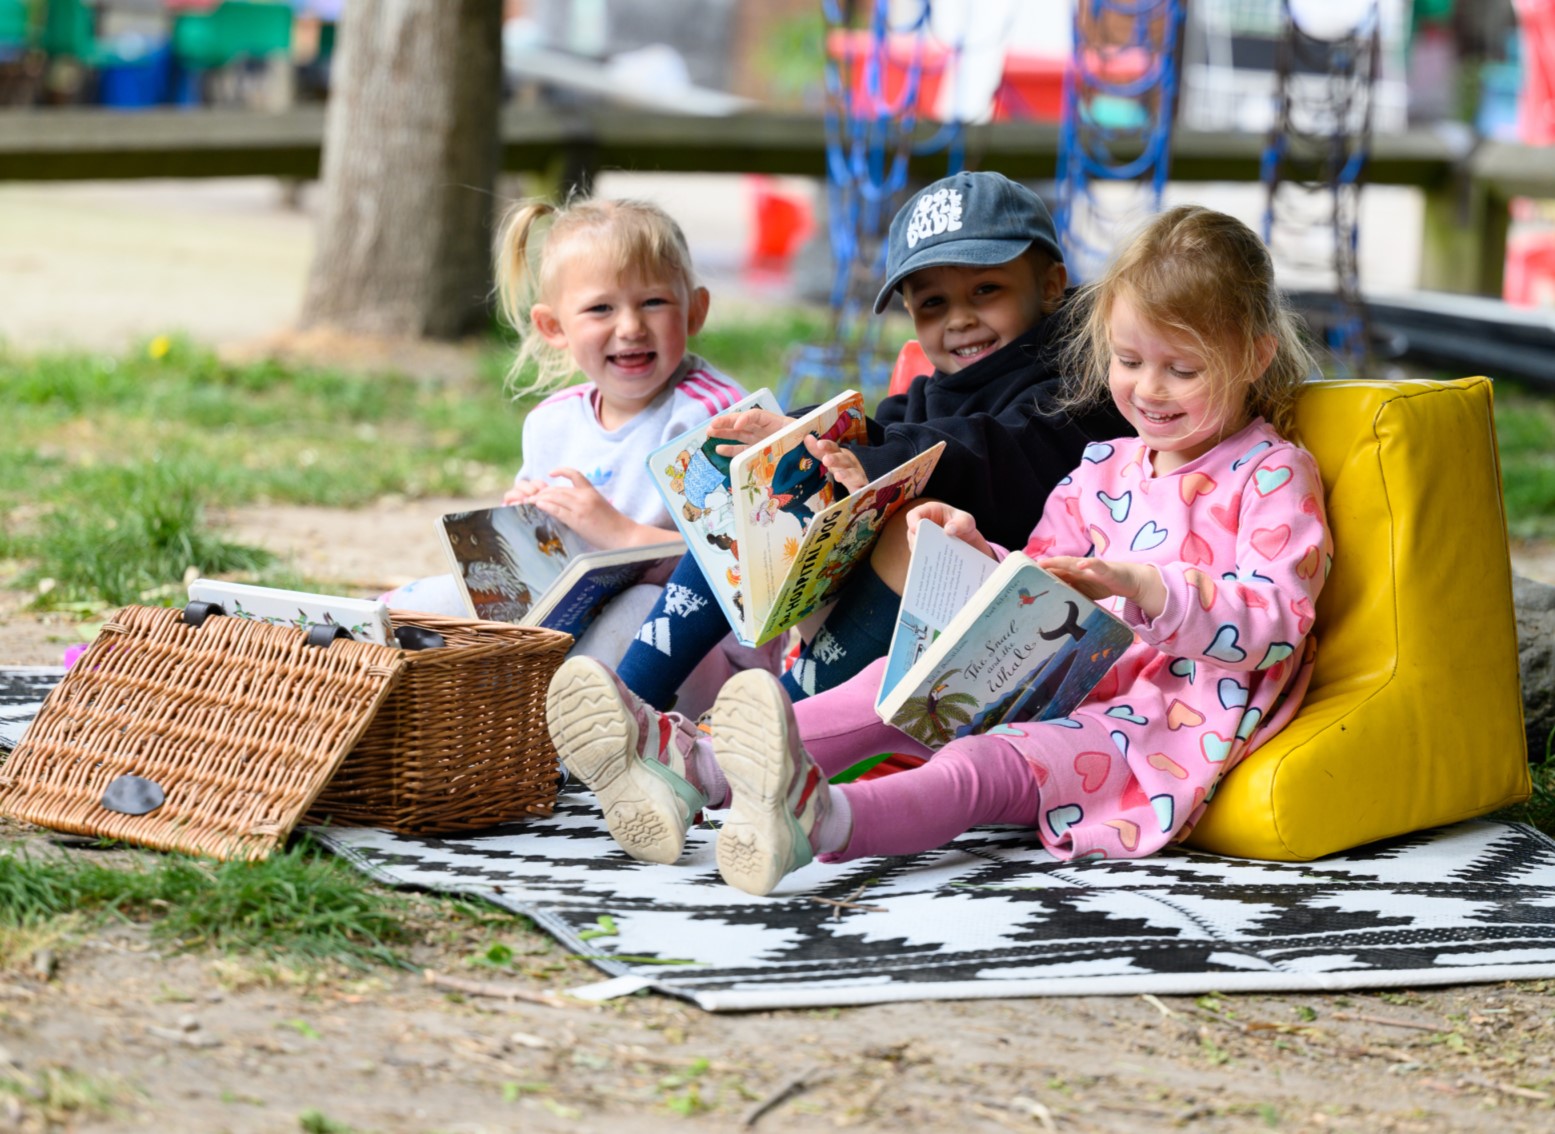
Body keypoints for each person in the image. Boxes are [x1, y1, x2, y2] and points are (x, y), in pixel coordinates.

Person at [546, 205, 1333, 896]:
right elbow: (1037, 576)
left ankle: (817, 820)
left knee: (985, 763)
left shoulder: (1267, 474)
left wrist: (1141, 584)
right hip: (1063, 672)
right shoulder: (1106, 465)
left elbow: (1276, 620)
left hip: (1152, 725)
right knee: (903, 683)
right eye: (1128, 363)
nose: (1148, 390)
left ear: (1254, 357)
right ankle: (689, 765)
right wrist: (973, 551)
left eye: (1181, 370)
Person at [611, 170, 1128, 711]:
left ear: (1048, 286)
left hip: (1020, 643)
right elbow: (885, 433)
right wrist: (799, 438)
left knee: (924, 524)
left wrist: (872, 454)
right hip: (911, 630)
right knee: (768, 481)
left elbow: (1002, 447)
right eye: (933, 304)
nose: (960, 319)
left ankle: (768, 724)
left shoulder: (1085, 381)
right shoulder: (932, 395)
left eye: (986, 290)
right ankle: (631, 699)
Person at [384, 195, 774, 716]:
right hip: (577, 632)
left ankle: (566, 750)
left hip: (711, 665)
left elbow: (754, 560)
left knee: (635, 610)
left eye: (654, 302)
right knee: (425, 604)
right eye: (600, 308)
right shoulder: (552, 422)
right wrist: (524, 530)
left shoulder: (715, 416)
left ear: (695, 310)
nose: (631, 326)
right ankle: (401, 715)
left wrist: (621, 535)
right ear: (554, 327)